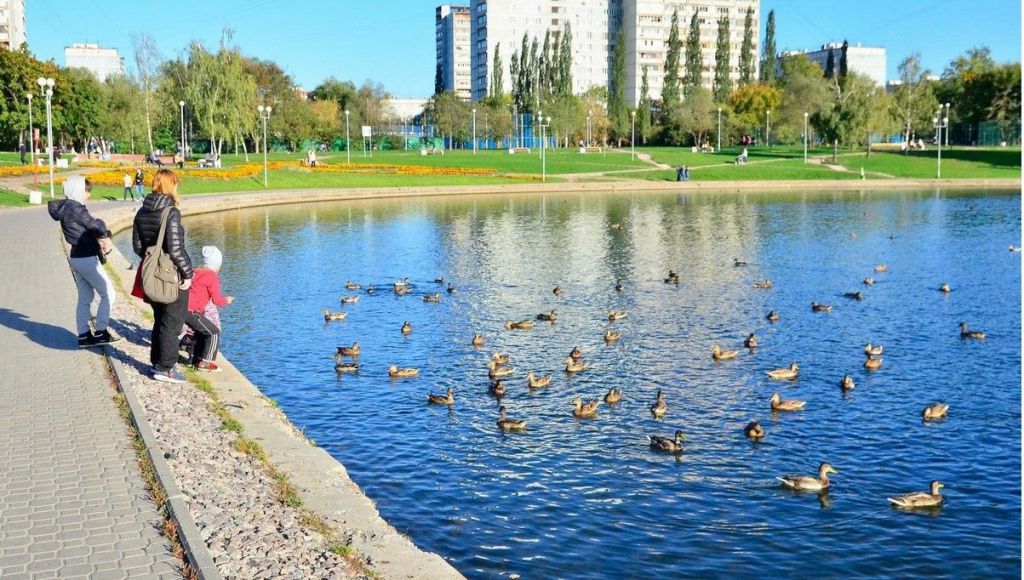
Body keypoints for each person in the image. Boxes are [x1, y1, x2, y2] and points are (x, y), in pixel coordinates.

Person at [132, 169, 194, 384]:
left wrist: (152, 261)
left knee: (159, 319)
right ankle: (166, 368)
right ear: (171, 185)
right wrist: (188, 273)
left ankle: (156, 363)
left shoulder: (141, 211)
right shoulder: (171, 211)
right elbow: (176, 249)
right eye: (176, 184)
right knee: (172, 322)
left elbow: (138, 245)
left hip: (151, 274)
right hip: (171, 274)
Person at [49, 177, 121, 348]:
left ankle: (84, 336)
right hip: (87, 257)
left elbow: (87, 228)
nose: (88, 195)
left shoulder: (66, 207)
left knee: (85, 297)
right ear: (78, 191)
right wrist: (100, 223)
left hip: (76, 257)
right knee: (108, 293)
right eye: (87, 191)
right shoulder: (76, 208)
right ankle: (101, 332)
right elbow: (98, 227)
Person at [183, 246, 233, 372]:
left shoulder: (196, 272)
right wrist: (227, 300)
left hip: (181, 307)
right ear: (217, 265)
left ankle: (194, 360)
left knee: (199, 331)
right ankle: (206, 362)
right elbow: (217, 300)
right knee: (213, 332)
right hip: (191, 311)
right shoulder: (212, 277)